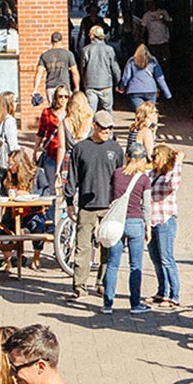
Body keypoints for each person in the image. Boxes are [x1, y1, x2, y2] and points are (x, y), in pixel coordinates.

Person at [64, 109, 124, 302]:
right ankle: (80, 287)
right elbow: (72, 177)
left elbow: (121, 177)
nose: (107, 130)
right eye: (103, 127)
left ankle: (103, 283)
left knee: (108, 246)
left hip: (109, 206)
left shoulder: (115, 149)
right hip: (86, 206)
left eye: (109, 127)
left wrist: (121, 203)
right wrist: (69, 202)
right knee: (83, 248)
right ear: (94, 126)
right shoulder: (81, 148)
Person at [102, 158, 151, 313]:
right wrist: (148, 227)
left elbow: (111, 195)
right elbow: (147, 205)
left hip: (117, 221)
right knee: (135, 265)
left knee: (112, 264)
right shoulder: (144, 179)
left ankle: (107, 304)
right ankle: (135, 304)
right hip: (135, 222)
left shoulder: (117, 173)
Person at [146, 144, 185, 309]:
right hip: (151, 220)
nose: (152, 159)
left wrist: (178, 162)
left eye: (155, 156)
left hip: (165, 220)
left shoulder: (170, 174)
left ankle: (174, 295)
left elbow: (173, 185)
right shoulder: (151, 174)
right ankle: (162, 291)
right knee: (155, 258)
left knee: (166, 258)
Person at [77, 23, 119, 112]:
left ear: (92, 35)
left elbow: (82, 67)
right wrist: (118, 82)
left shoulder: (86, 50)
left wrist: (83, 81)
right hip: (106, 84)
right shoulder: (109, 49)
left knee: (91, 111)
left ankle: (91, 126)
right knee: (107, 109)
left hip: (90, 84)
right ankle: (108, 125)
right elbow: (115, 68)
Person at [35, 87, 71, 191]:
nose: (63, 99)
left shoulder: (71, 114)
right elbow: (41, 132)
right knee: (51, 187)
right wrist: (35, 150)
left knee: (67, 187)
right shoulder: (47, 112)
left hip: (67, 155)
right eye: (60, 96)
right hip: (51, 153)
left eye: (66, 97)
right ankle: (51, 207)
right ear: (55, 97)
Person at [119, 43, 171, 109]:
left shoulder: (131, 61)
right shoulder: (153, 61)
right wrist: (167, 93)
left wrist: (121, 87)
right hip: (151, 90)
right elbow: (160, 78)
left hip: (135, 90)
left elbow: (126, 76)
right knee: (149, 112)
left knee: (140, 113)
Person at [32, 29, 75, 104]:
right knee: (65, 109)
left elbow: (39, 73)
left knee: (52, 111)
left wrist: (35, 89)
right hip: (64, 86)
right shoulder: (68, 54)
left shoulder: (45, 55)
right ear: (61, 41)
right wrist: (76, 87)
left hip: (50, 87)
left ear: (51, 42)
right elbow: (74, 72)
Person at [0, 92, 19, 173]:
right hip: (8, 161)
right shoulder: (9, 121)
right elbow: (13, 144)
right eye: (15, 101)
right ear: (9, 104)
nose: (16, 103)